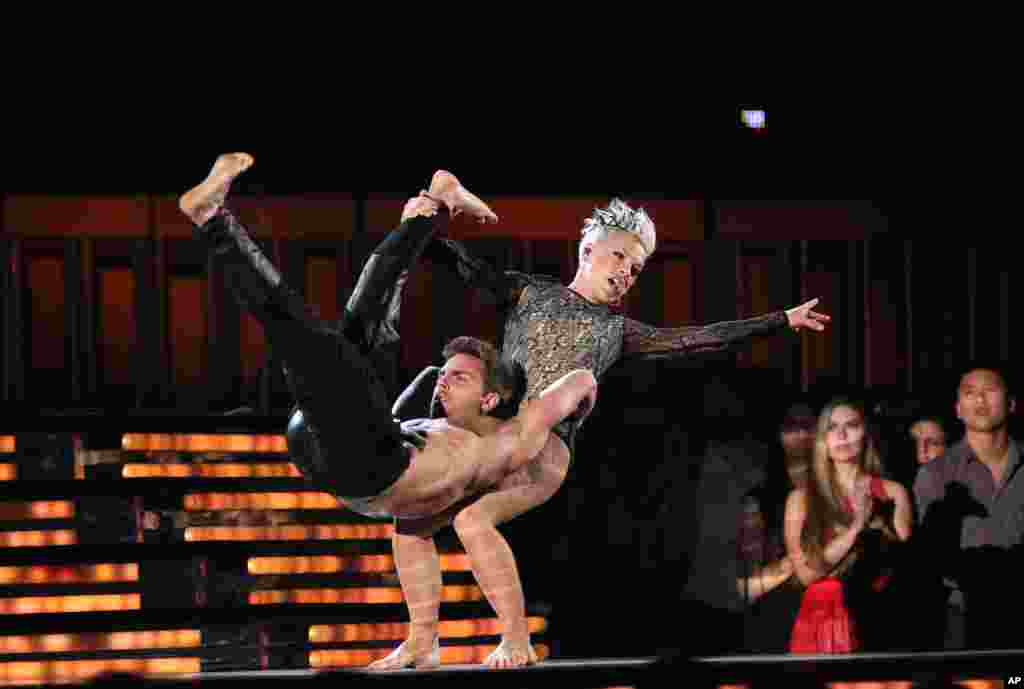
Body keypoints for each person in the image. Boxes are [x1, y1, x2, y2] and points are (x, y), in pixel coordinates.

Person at [378, 192, 832, 666]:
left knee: (473, 520)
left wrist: (780, 320)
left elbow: (697, 338)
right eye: (619, 256)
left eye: (635, 269)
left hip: (547, 449)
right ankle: (422, 640)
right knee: (409, 523)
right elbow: (464, 267)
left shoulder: (617, 331)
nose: (625, 273)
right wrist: (425, 216)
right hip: (498, 436)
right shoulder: (529, 292)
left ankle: (516, 640)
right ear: (587, 250)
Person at [178, 153, 596, 525]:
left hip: (367, 470)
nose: (441, 383)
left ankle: (213, 221)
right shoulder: (443, 429)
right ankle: (432, 206)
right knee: (368, 326)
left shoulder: (508, 443)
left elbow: (576, 384)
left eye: (462, 379)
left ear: (491, 400)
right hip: (351, 443)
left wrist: (578, 408)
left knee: (309, 342)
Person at [784, 397, 912, 653]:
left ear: (866, 432)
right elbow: (807, 573)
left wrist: (878, 525)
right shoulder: (800, 498)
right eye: (831, 428)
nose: (841, 435)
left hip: (879, 618)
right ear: (821, 439)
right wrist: (856, 528)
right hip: (821, 623)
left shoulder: (893, 492)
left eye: (851, 425)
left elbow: (904, 565)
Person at [913, 365, 1024, 650]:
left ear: (1011, 404)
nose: (980, 400)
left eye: (989, 391)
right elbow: (931, 558)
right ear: (958, 409)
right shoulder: (936, 474)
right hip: (961, 616)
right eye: (970, 393)